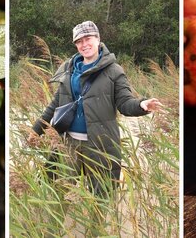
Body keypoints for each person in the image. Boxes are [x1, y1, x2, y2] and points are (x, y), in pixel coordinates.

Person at [29, 20, 162, 197]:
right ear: (76, 45)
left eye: (88, 39)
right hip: (68, 143)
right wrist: (37, 130)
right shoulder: (69, 70)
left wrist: (141, 105)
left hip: (100, 145)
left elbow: (124, 102)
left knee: (101, 196)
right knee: (59, 193)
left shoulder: (114, 71)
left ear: (98, 39)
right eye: (79, 41)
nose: (84, 44)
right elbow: (54, 105)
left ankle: (94, 225)